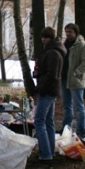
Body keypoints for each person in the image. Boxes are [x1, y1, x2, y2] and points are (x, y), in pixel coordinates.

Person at [33, 27, 67, 161]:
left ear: (51, 38)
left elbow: (52, 74)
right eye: (42, 37)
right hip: (50, 89)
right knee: (48, 121)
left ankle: (46, 153)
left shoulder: (52, 52)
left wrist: (40, 85)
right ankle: (50, 151)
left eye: (46, 37)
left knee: (39, 121)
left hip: (47, 90)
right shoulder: (53, 50)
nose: (43, 39)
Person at [61, 23, 85, 137]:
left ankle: (81, 130)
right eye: (66, 31)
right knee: (66, 106)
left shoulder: (82, 45)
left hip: (75, 80)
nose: (68, 34)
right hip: (64, 79)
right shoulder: (65, 44)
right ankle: (66, 130)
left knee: (78, 106)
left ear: (75, 32)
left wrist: (76, 72)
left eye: (70, 32)